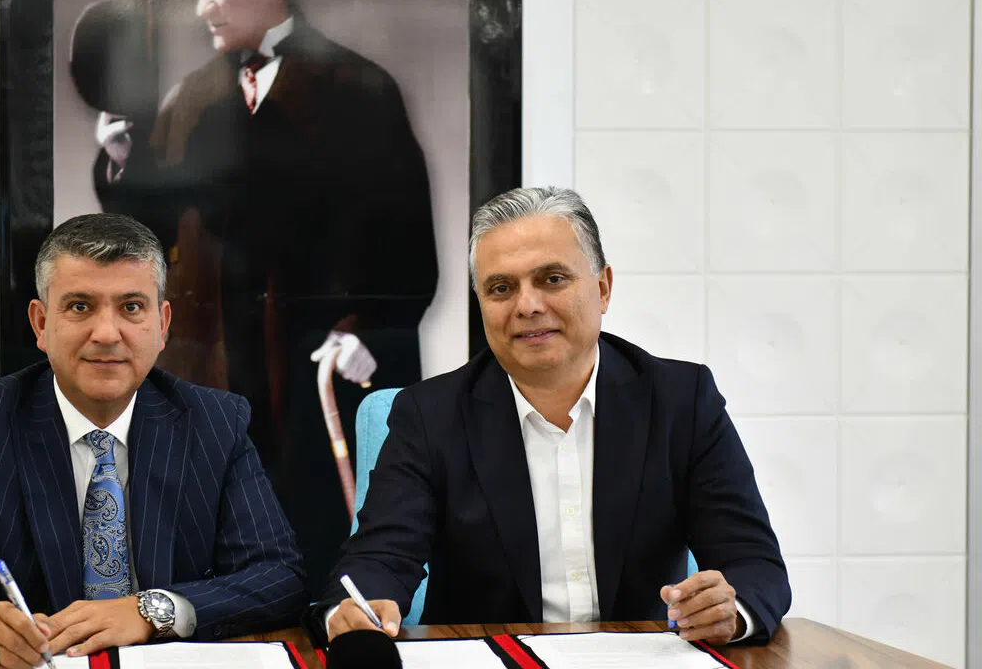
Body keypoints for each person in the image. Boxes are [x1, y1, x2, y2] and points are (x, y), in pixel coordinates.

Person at [91, 0, 438, 598]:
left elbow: (408, 241)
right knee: (216, 559)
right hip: (215, 367)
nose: (204, 7)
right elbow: (152, 239)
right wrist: (121, 163)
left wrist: (368, 329)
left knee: (322, 548)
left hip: (315, 369)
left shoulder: (360, 90)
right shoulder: (190, 99)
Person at [318, 187, 790, 646]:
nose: (527, 306)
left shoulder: (681, 401)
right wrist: (358, 607)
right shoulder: (429, 416)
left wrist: (732, 611)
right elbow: (380, 556)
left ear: (602, 288)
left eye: (552, 279)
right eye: (501, 288)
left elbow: (753, 563)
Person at [0, 214, 307, 667]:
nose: (106, 334)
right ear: (41, 323)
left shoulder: (215, 423)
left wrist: (153, 610)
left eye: (131, 307)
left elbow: (279, 576)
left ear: (163, 324)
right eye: (80, 306)